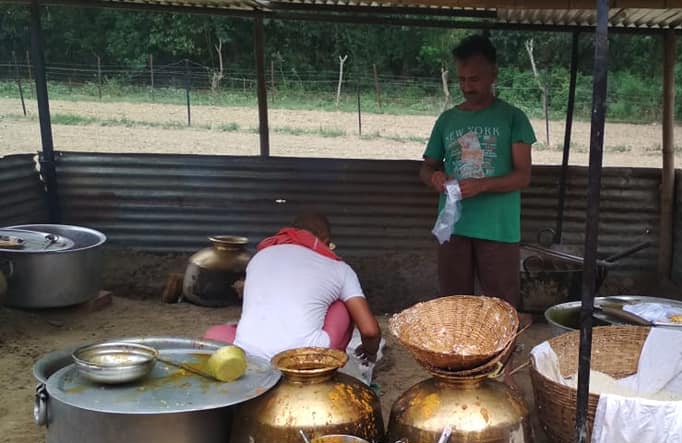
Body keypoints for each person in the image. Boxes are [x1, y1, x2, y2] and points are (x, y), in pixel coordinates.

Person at [418, 34, 536, 308]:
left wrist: (482, 185)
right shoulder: (447, 120)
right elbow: (426, 168)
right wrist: (434, 177)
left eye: (475, 79)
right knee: (453, 305)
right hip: (453, 228)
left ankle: (502, 352)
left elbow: (523, 175)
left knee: (501, 309)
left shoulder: (513, 118)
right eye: (462, 80)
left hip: (498, 230)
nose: (467, 87)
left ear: (494, 74)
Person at [203, 212, 381, 363]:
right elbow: (370, 331)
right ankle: (327, 372)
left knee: (217, 332)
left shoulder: (259, 257)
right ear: (326, 242)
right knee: (344, 305)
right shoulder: (340, 268)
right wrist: (370, 354)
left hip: (250, 358)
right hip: (305, 360)